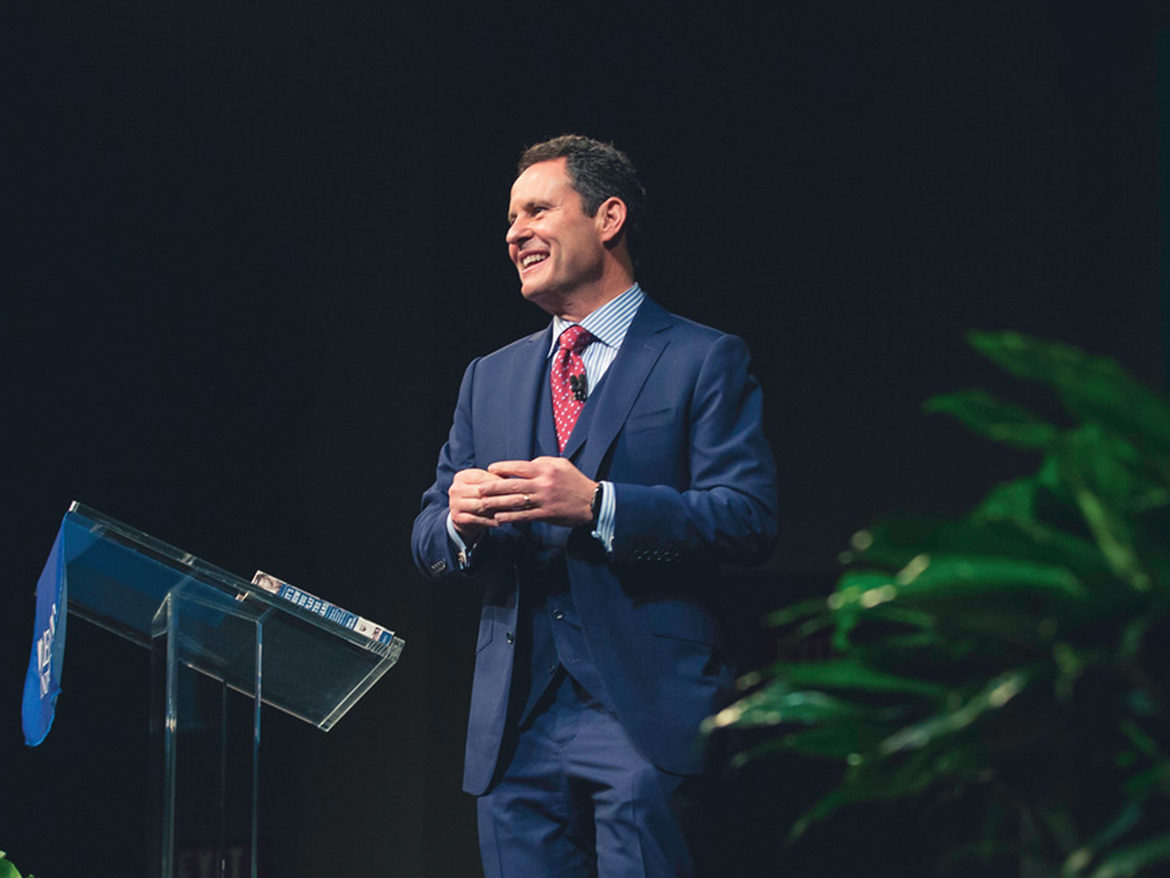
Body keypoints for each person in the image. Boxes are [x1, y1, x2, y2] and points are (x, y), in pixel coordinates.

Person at [411, 134, 778, 878]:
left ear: (608, 217)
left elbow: (747, 517)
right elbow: (426, 535)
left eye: (538, 210)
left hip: (645, 718)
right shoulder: (490, 377)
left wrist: (601, 505)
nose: (515, 233)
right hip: (515, 729)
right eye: (511, 219)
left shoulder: (702, 358)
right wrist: (457, 519)